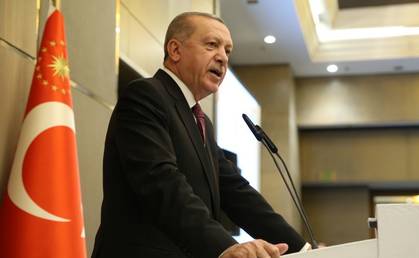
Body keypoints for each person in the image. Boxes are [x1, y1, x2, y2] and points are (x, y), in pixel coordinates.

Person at [91, 12, 306, 258]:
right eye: (212, 45)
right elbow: (162, 183)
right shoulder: (146, 96)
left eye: (227, 51)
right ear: (175, 50)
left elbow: (236, 192)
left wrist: (303, 249)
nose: (223, 58)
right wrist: (224, 246)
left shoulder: (201, 121)